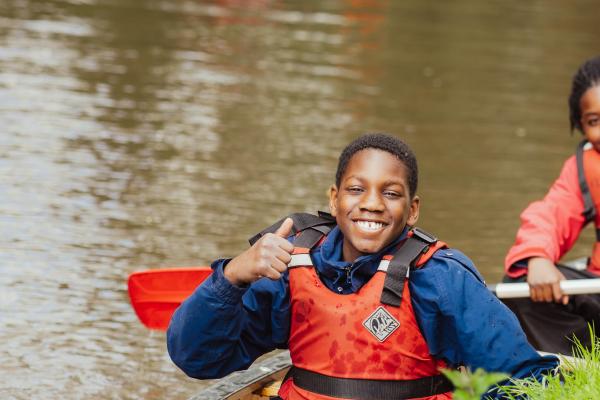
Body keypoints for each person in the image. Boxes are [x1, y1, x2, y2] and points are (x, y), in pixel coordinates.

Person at [168, 133, 558, 400]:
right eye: (356, 190)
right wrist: (232, 276)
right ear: (335, 199)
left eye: (390, 193)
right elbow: (198, 359)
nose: (371, 203)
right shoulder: (289, 265)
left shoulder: (441, 278)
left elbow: (522, 379)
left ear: (413, 210)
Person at [504, 55, 600, 355]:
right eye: (595, 121)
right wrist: (538, 257)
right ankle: (580, 361)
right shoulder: (585, 166)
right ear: (581, 126)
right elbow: (551, 213)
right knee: (521, 288)